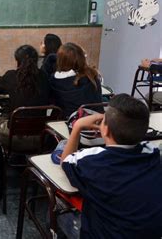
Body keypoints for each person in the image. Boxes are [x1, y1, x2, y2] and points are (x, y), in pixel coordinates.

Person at [60, 94, 162, 238]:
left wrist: (77, 126)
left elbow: (65, 161)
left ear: (105, 130)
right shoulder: (153, 154)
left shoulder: (91, 161)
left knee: (56, 209)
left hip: (103, 234)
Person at [0, 45, 50, 148]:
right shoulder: (44, 77)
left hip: (14, 137)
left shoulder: (11, 76)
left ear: (17, 60)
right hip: (41, 136)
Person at [50, 42, 102, 118]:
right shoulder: (92, 75)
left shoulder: (54, 79)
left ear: (60, 60)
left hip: (64, 121)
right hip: (94, 122)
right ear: (82, 57)